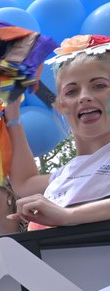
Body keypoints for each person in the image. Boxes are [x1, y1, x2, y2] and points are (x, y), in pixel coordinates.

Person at [8, 35, 110, 228]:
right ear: (62, 105)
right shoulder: (64, 177)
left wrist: (69, 216)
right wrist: (12, 117)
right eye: (71, 91)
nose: (85, 97)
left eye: (99, 86)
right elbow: (24, 183)